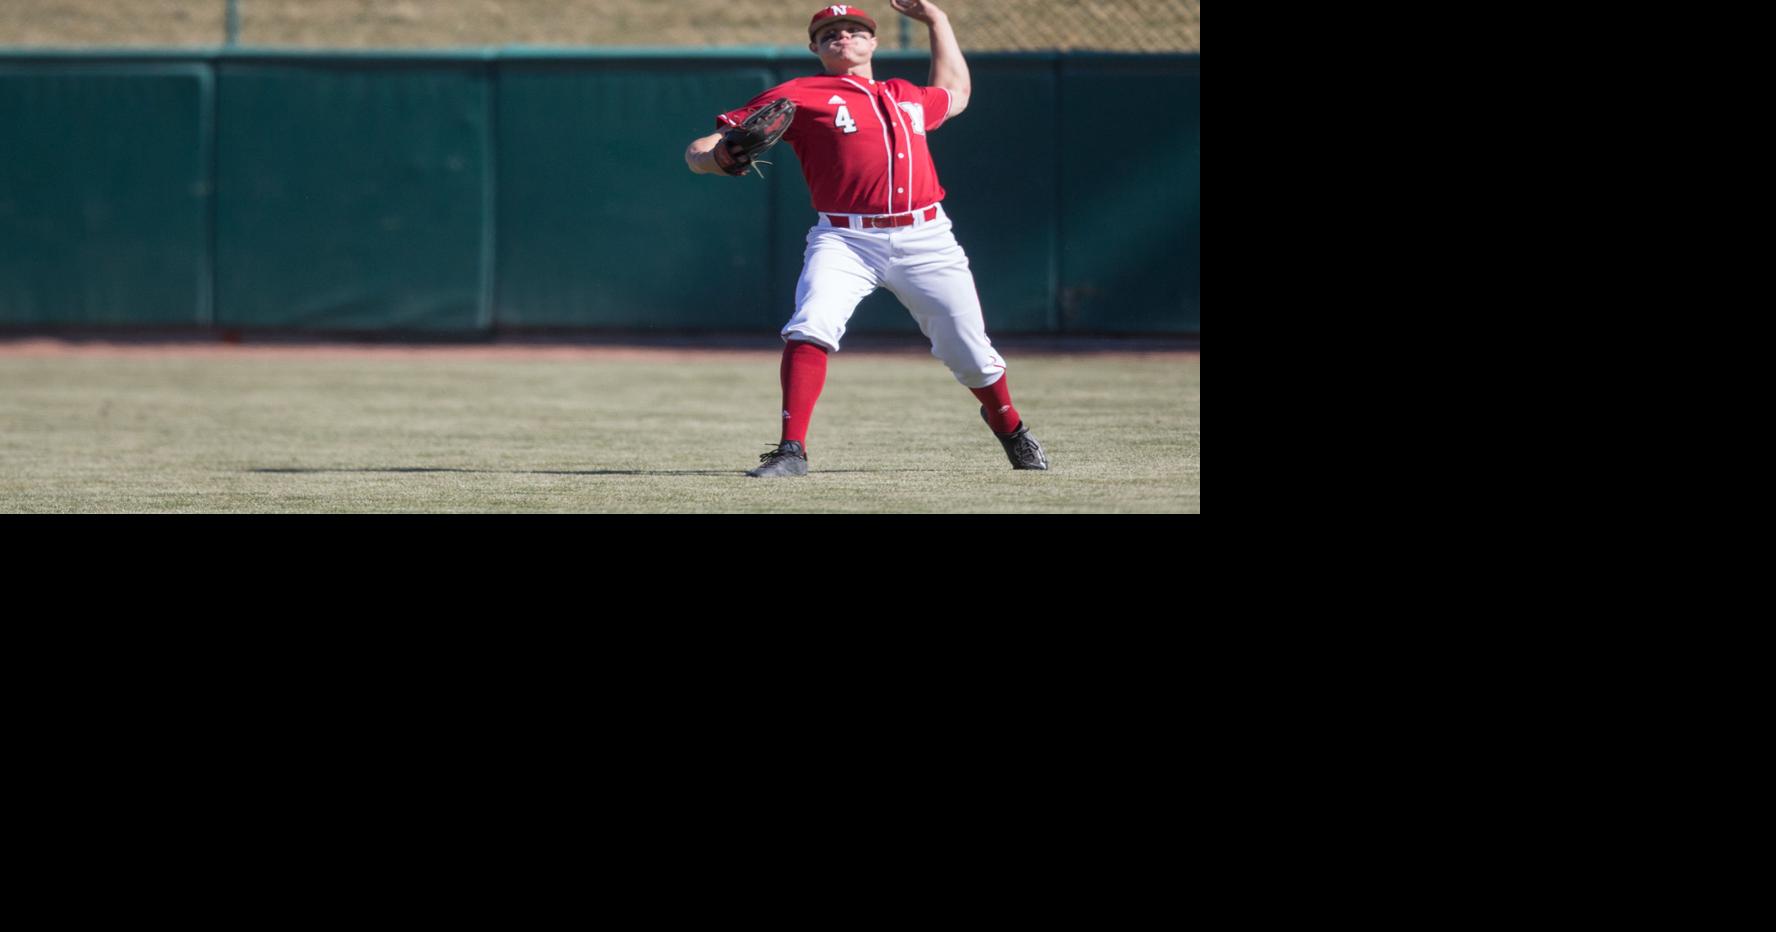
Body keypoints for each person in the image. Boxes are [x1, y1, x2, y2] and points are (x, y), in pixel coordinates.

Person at [684, 1, 1048, 477]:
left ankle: (1010, 427)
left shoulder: (906, 94)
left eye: (855, 29)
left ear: (873, 42)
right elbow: (698, 151)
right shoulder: (799, 94)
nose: (843, 36)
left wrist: (936, 20)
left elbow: (956, 92)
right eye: (830, 32)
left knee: (972, 354)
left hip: (926, 236)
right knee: (810, 324)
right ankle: (791, 451)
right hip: (844, 238)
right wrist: (719, 158)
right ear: (814, 47)